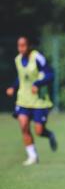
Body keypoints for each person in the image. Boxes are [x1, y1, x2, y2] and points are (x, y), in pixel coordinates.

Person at [6, 36, 57, 166]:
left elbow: (50, 74)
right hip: (23, 100)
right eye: (19, 46)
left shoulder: (37, 58)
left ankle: (50, 135)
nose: (21, 48)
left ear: (29, 46)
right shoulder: (17, 59)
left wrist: (38, 84)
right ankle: (33, 156)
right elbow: (21, 77)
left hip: (38, 101)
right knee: (23, 126)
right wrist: (13, 86)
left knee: (39, 131)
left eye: (23, 45)